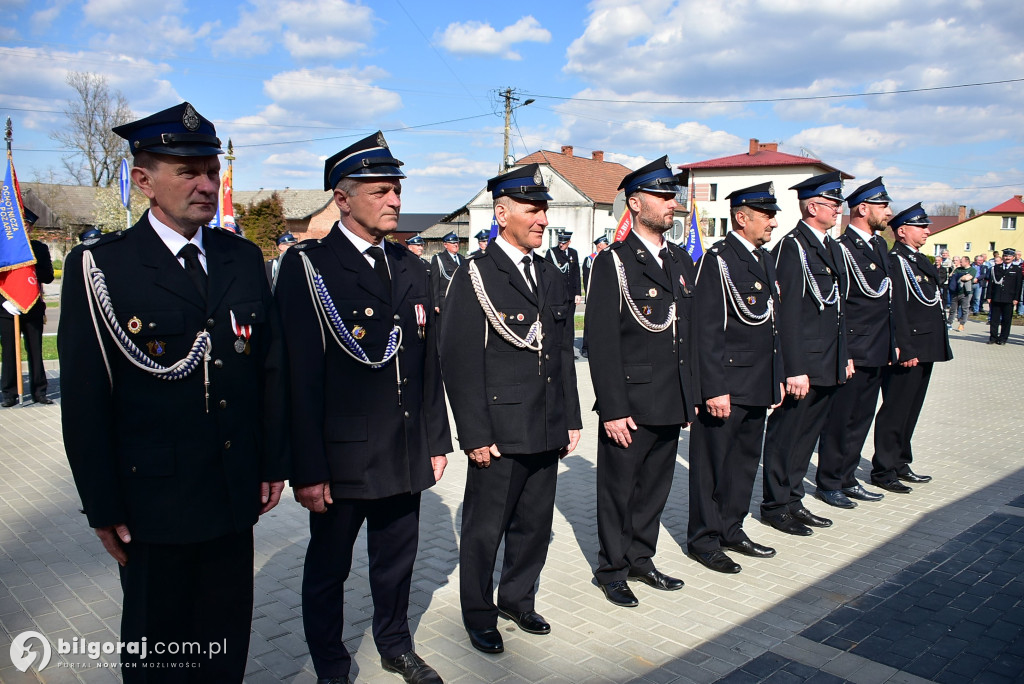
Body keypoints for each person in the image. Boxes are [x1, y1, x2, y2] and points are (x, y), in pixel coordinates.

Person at [58, 102, 288, 681]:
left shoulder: (241, 258)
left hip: (234, 492)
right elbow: (85, 402)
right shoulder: (103, 267)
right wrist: (103, 506)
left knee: (224, 644)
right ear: (144, 181)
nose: (206, 184)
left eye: (210, 170)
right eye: (187, 172)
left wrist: (272, 462)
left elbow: (268, 372)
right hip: (152, 505)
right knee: (158, 650)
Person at [274, 131, 452, 684]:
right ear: (343, 198)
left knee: (397, 562)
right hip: (340, 455)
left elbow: (427, 366)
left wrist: (435, 440)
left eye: (396, 189)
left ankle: (395, 644)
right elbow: (295, 377)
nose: (394, 201)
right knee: (329, 567)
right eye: (380, 191)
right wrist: (306, 468)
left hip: (402, 446)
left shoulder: (412, 266)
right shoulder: (310, 267)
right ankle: (329, 660)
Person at [439, 163, 582, 656]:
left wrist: (572, 418)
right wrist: (475, 434)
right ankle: (479, 614)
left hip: (545, 422)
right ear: (502, 213)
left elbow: (561, 351)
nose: (541, 218)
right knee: (485, 530)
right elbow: (458, 361)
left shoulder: (550, 271)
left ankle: (518, 598)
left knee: (535, 525)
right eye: (531, 208)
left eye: (544, 208)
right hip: (499, 430)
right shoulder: (476, 274)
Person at [585, 157, 696, 605]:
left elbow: (687, 334)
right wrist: (613, 408)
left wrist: (692, 397)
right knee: (619, 491)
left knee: (655, 488)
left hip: (671, 397)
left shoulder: (680, 259)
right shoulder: (615, 261)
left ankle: (640, 558)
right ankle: (611, 568)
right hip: (630, 401)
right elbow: (602, 340)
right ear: (636, 203)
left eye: (673, 196)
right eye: (664, 196)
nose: (673, 203)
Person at [687, 182, 784, 574]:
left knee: (744, 463)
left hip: (757, 382)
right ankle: (704, 539)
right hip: (727, 384)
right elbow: (707, 331)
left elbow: (771, 327)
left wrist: (775, 378)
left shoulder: (761, 258)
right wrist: (714, 387)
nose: (774, 223)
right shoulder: (719, 260)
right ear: (742, 217)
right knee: (712, 465)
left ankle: (732, 527)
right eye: (767, 215)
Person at [760, 171, 852, 537]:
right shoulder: (792, 247)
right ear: (814, 206)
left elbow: (838, 309)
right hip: (804, 364)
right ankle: (776, 504)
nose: (839, 210)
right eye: (834, 204)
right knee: (788, 434)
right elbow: (787, 314)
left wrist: (843, 354)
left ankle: (794, 497)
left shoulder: (830, 246)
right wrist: (793, 367)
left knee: (808, 435)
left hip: (827, 360)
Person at [814, 178, 895, 509]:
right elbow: (840, 304)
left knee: (861, 418)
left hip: (876, 347)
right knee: (840, 420)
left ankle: (848, 477)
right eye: (883, 206)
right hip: (854, 348)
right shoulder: (843, 248)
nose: (889, 213)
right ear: (863, 208)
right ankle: (830, 481)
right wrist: (842, 350)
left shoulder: (878, 246)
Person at [870, 203, 952, 493]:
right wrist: (904, 347)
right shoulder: (896, 261)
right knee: (896, 407)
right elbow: (898, 308)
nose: (928, 231)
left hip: (926, 344)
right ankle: (884, 468)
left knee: (911, 408)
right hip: (909, 347)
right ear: (902, 231)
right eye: (922, 227)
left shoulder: (918, 259)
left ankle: (901, 461)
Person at [1, 208, 55, 407]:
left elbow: (48, 276)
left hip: (32, 306)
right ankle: (9, 393)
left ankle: (39, 392)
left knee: (35, 351)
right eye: (20, 224)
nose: (24, 228)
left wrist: (29, 263)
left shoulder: (39, 248)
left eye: (27, 225)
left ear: (31, 228)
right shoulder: (3, 247)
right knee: (9, 352)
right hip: (8, 308)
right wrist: (3, 301)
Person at [579, 235, 609, 358]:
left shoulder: (607, 258)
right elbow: (587, 280)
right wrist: (590, 295)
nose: (607, 246)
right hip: (593, 296)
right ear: (599, 245)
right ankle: (586, 347)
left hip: (605, 296)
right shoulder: (590, 259)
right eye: (605, 244)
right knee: (590, 321)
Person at [988, 247, 1022, 345]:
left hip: (1009, 298)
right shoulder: (995, 268)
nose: (1007, 258)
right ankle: (993, 337)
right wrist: (989, 296)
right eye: (1005, 256)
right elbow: (991, 283)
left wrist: (1016, 298)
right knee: (994, 319)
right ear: (1002, 257)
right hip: (996, 297)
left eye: (1009, 256)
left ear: (1013, 257)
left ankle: (1003, 338)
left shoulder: (1017, 269)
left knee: (1006, 320)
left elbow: (1018, 285)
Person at [546, 230, 582, 306]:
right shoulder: (552, 252)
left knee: (570, 317)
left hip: (571, 293)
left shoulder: (573, 253)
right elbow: (547, 273)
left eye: (564, 243)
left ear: (569, 242)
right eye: (560, 242)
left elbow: (576, 274)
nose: (561, 245)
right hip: (557, 293)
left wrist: (578, 293)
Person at [430, 232, 461, 315]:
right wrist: (436, 304)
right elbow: (435, 282)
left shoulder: (462, 258)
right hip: (445, 299)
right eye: (452, 243)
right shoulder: (439, 258)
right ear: (445, 245)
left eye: (457, 242)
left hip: (459, 299)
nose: (455, 245)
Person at [947, 256, 976, 331]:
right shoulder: (958, 269)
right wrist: (955, 269)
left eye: (961, 261)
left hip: (965, 293)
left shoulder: (972, 270)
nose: (960, 263)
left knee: (964, 309)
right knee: (952, 309)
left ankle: (962, 324)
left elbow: (967, 278)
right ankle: (949, 323)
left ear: (967, 262)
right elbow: (951, 276)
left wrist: (958, 277)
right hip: (955, 292)